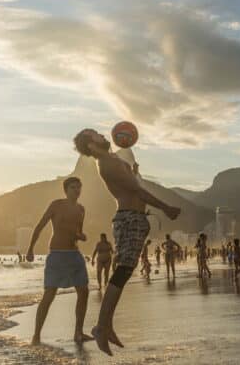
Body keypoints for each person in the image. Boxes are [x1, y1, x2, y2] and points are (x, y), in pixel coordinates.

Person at [74, 128, 180, 356]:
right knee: (122, 271)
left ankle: (107, 325)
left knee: (125, 270)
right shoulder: (108, 163)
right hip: (129, 218)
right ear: (91, 145)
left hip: (134, 218)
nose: (102, 135)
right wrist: (166, 208)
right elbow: (137, 191)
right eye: (96, 135)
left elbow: (132, 183)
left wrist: (133, 171)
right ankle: (101, 326)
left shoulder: (113, 160)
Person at [26, 177, 91, 345]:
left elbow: (78, 232)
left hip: (74, 255)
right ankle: (36, 335)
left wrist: (81, 236)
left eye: (79, 188)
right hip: (57, 255)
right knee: (49, 294)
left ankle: (78, 332)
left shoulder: (81, 209)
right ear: (66, 190)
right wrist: (30, 248)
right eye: (73, 187)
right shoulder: (56, 205)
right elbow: (40, 226)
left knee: (84, 291)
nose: (76, 190)